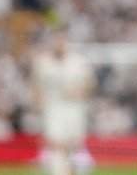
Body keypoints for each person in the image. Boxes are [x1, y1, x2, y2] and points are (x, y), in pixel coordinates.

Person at [32, 32, 93, 175]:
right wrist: (39, 104)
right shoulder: (43, 62)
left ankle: (72, 171)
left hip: (74, 108)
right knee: (56, 144)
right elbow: (36, 85)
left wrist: (80, 91)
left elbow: (89, 84)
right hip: (53, 108)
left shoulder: (78, 62)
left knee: (72, 145)